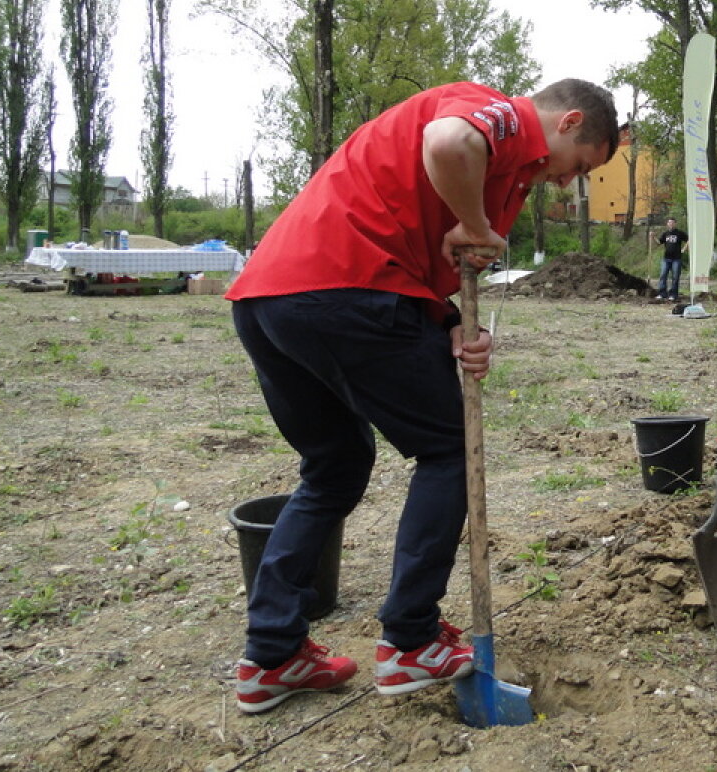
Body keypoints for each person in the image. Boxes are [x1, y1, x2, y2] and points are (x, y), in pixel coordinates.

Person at [225, 79, 619, 713]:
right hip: (345, 289)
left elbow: (417, 250)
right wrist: (476, 224)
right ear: (568, 122)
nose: (566, 181)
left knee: (334, 467)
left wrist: (450, 326)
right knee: (449, 450)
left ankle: (271, 654)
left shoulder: (509, 171)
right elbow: (449, 141)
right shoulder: (504, 118)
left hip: (272, 298)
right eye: (579, 165)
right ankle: (411, 639)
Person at [656, 217, 689, 300]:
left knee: (675, 277)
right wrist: (653, 237)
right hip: (666, 258)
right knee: (663, 275)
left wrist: (684, 249)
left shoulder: (679, 233)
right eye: (669, 222)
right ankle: (662, 293)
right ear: (667, 224)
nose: (671, 224)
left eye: (673, 223)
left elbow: (689, 240)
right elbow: (659, 242)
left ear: (675, 224)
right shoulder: (665, 234)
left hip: (676, 259)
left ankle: (673, 294)